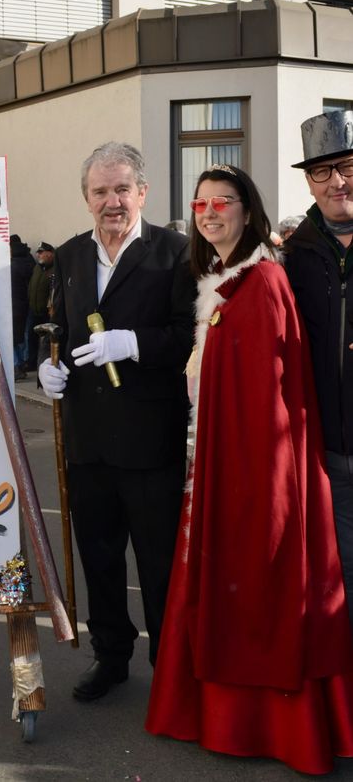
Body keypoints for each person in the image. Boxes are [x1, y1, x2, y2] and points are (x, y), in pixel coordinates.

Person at [146, 163, 353, 775]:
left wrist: (249, 482)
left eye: (224, 202)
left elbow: (270, 399)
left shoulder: (261, 281)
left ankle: (269, 725)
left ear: (248, 209)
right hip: (228, 456)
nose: (211, 212)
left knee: (264, 594)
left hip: (256, 468)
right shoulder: (223, 278)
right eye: (202, 203)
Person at [38, 142, 195, 701]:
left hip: (151, 440)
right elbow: (51, 325)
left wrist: (133, 344)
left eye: (122, 189)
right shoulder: (72, 255)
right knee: (99, 557)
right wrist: (45, 368)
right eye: (100, 191)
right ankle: (111, 656)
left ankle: (170, 666)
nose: (112, 201)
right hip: (86, 438)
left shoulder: (177, 252)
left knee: (157, 564)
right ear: (86, 198)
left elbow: (188, 337)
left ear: (142, 193)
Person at [286, 109, 353, 630]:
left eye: (348, 166)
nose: (337, 181)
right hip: (328, 451)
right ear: (309, 182)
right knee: (341, 578)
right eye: (322, 171)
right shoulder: (293, 258)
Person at [9, 234, 35, 380]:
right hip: (25, 305)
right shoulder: (29, 260)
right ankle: (22, 363)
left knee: (12, 337)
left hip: (14, 305)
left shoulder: (12, 266)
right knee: (21, 337)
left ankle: (16, 366)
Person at [25, 242, 54, 371]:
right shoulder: (37, 268)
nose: (38, 255)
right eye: (38, 252)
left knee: (46, 341)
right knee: (31, 338)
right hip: (33, 310)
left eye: (41, 252)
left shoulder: (55, 269)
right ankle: (31, 363)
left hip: (46, 312)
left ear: (50, 253)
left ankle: (45, 364)